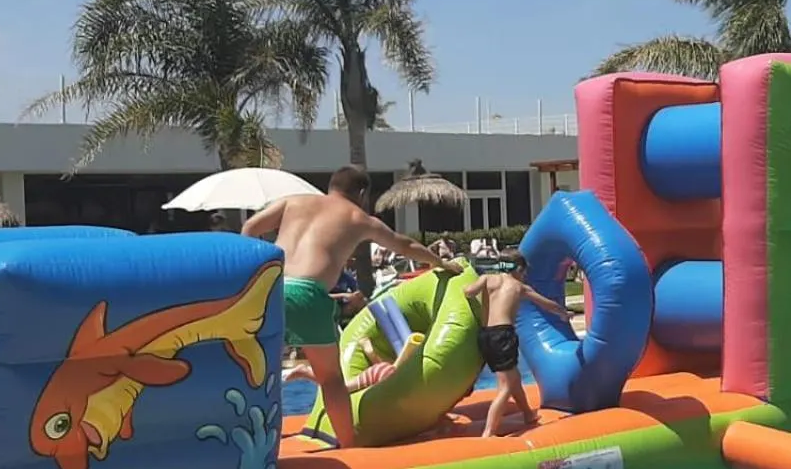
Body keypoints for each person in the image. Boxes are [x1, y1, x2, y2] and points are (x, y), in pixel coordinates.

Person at [242, 165, 460, 447]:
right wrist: (440, 262)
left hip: (269, 288)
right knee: (331, 379)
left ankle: (257, 444)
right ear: (361, 193)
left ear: (331, 185)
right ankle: (348, 447)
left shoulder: (294, 200)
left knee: (261, 373)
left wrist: (251, 276)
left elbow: (249, 228)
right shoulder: (359, 218)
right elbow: (403, 245)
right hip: (308, 294)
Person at [463, 251, 569, 439]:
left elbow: (468, 292)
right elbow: (547, 304)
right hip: (503, 335)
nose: (524, 275)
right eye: (523, 272)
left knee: (514, 377)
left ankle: (528, 414)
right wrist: (563, 313)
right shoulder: (519, 287)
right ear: (518, 268)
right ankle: (489, 433)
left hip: (485, 335)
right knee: (506, 386)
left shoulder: (487, 279)